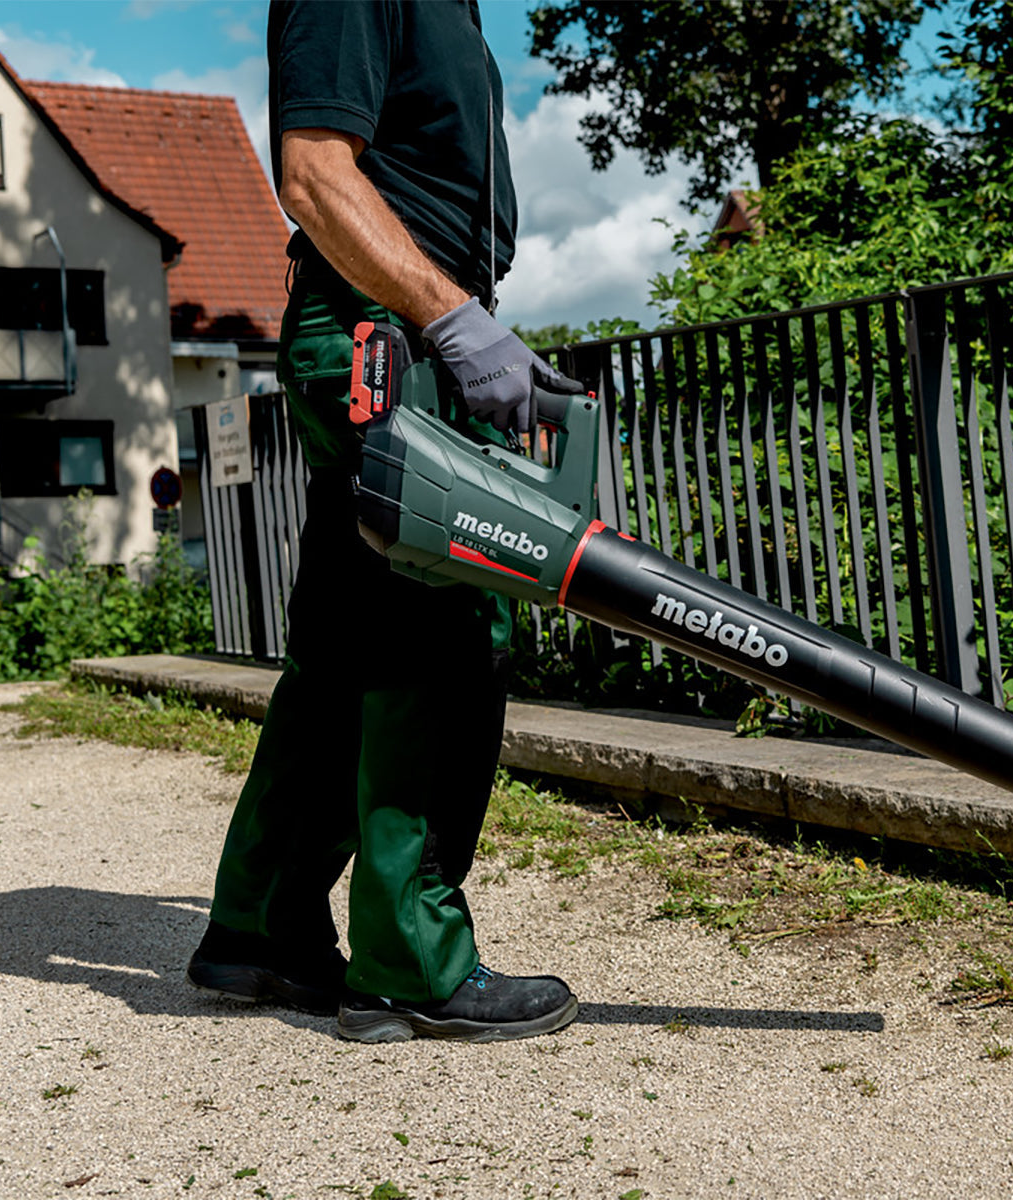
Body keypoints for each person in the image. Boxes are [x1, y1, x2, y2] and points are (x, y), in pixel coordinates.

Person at [186, 0, 581, 1044]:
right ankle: (412, 956)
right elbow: (316, 171)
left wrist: (464, 316)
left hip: (396, 328)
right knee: (442, 636)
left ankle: (260, 928)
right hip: (383, 334)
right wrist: (445, 315)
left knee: (347, 646)